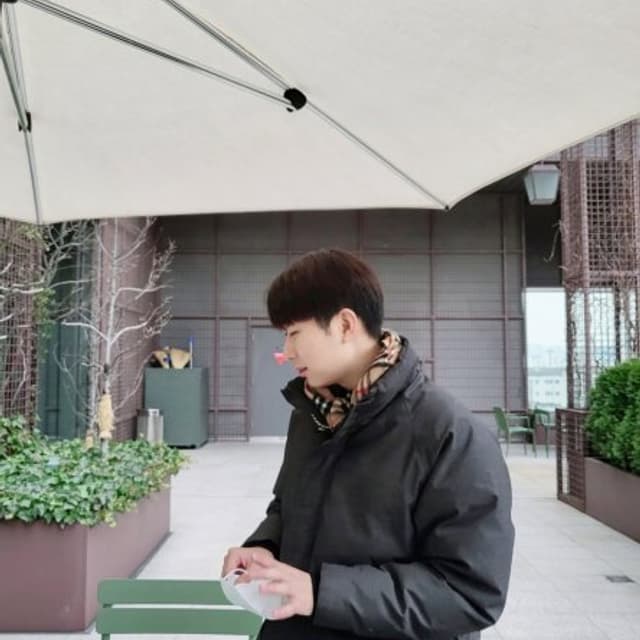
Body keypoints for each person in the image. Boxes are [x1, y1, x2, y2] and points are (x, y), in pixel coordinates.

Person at [222, 248, 514, 640]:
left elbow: (469, 592)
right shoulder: (311, 414)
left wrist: (322, 593)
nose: (285, 352)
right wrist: (265, 546)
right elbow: (287, 505)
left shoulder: (451, 435)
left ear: (345, 325)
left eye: (294, 334)